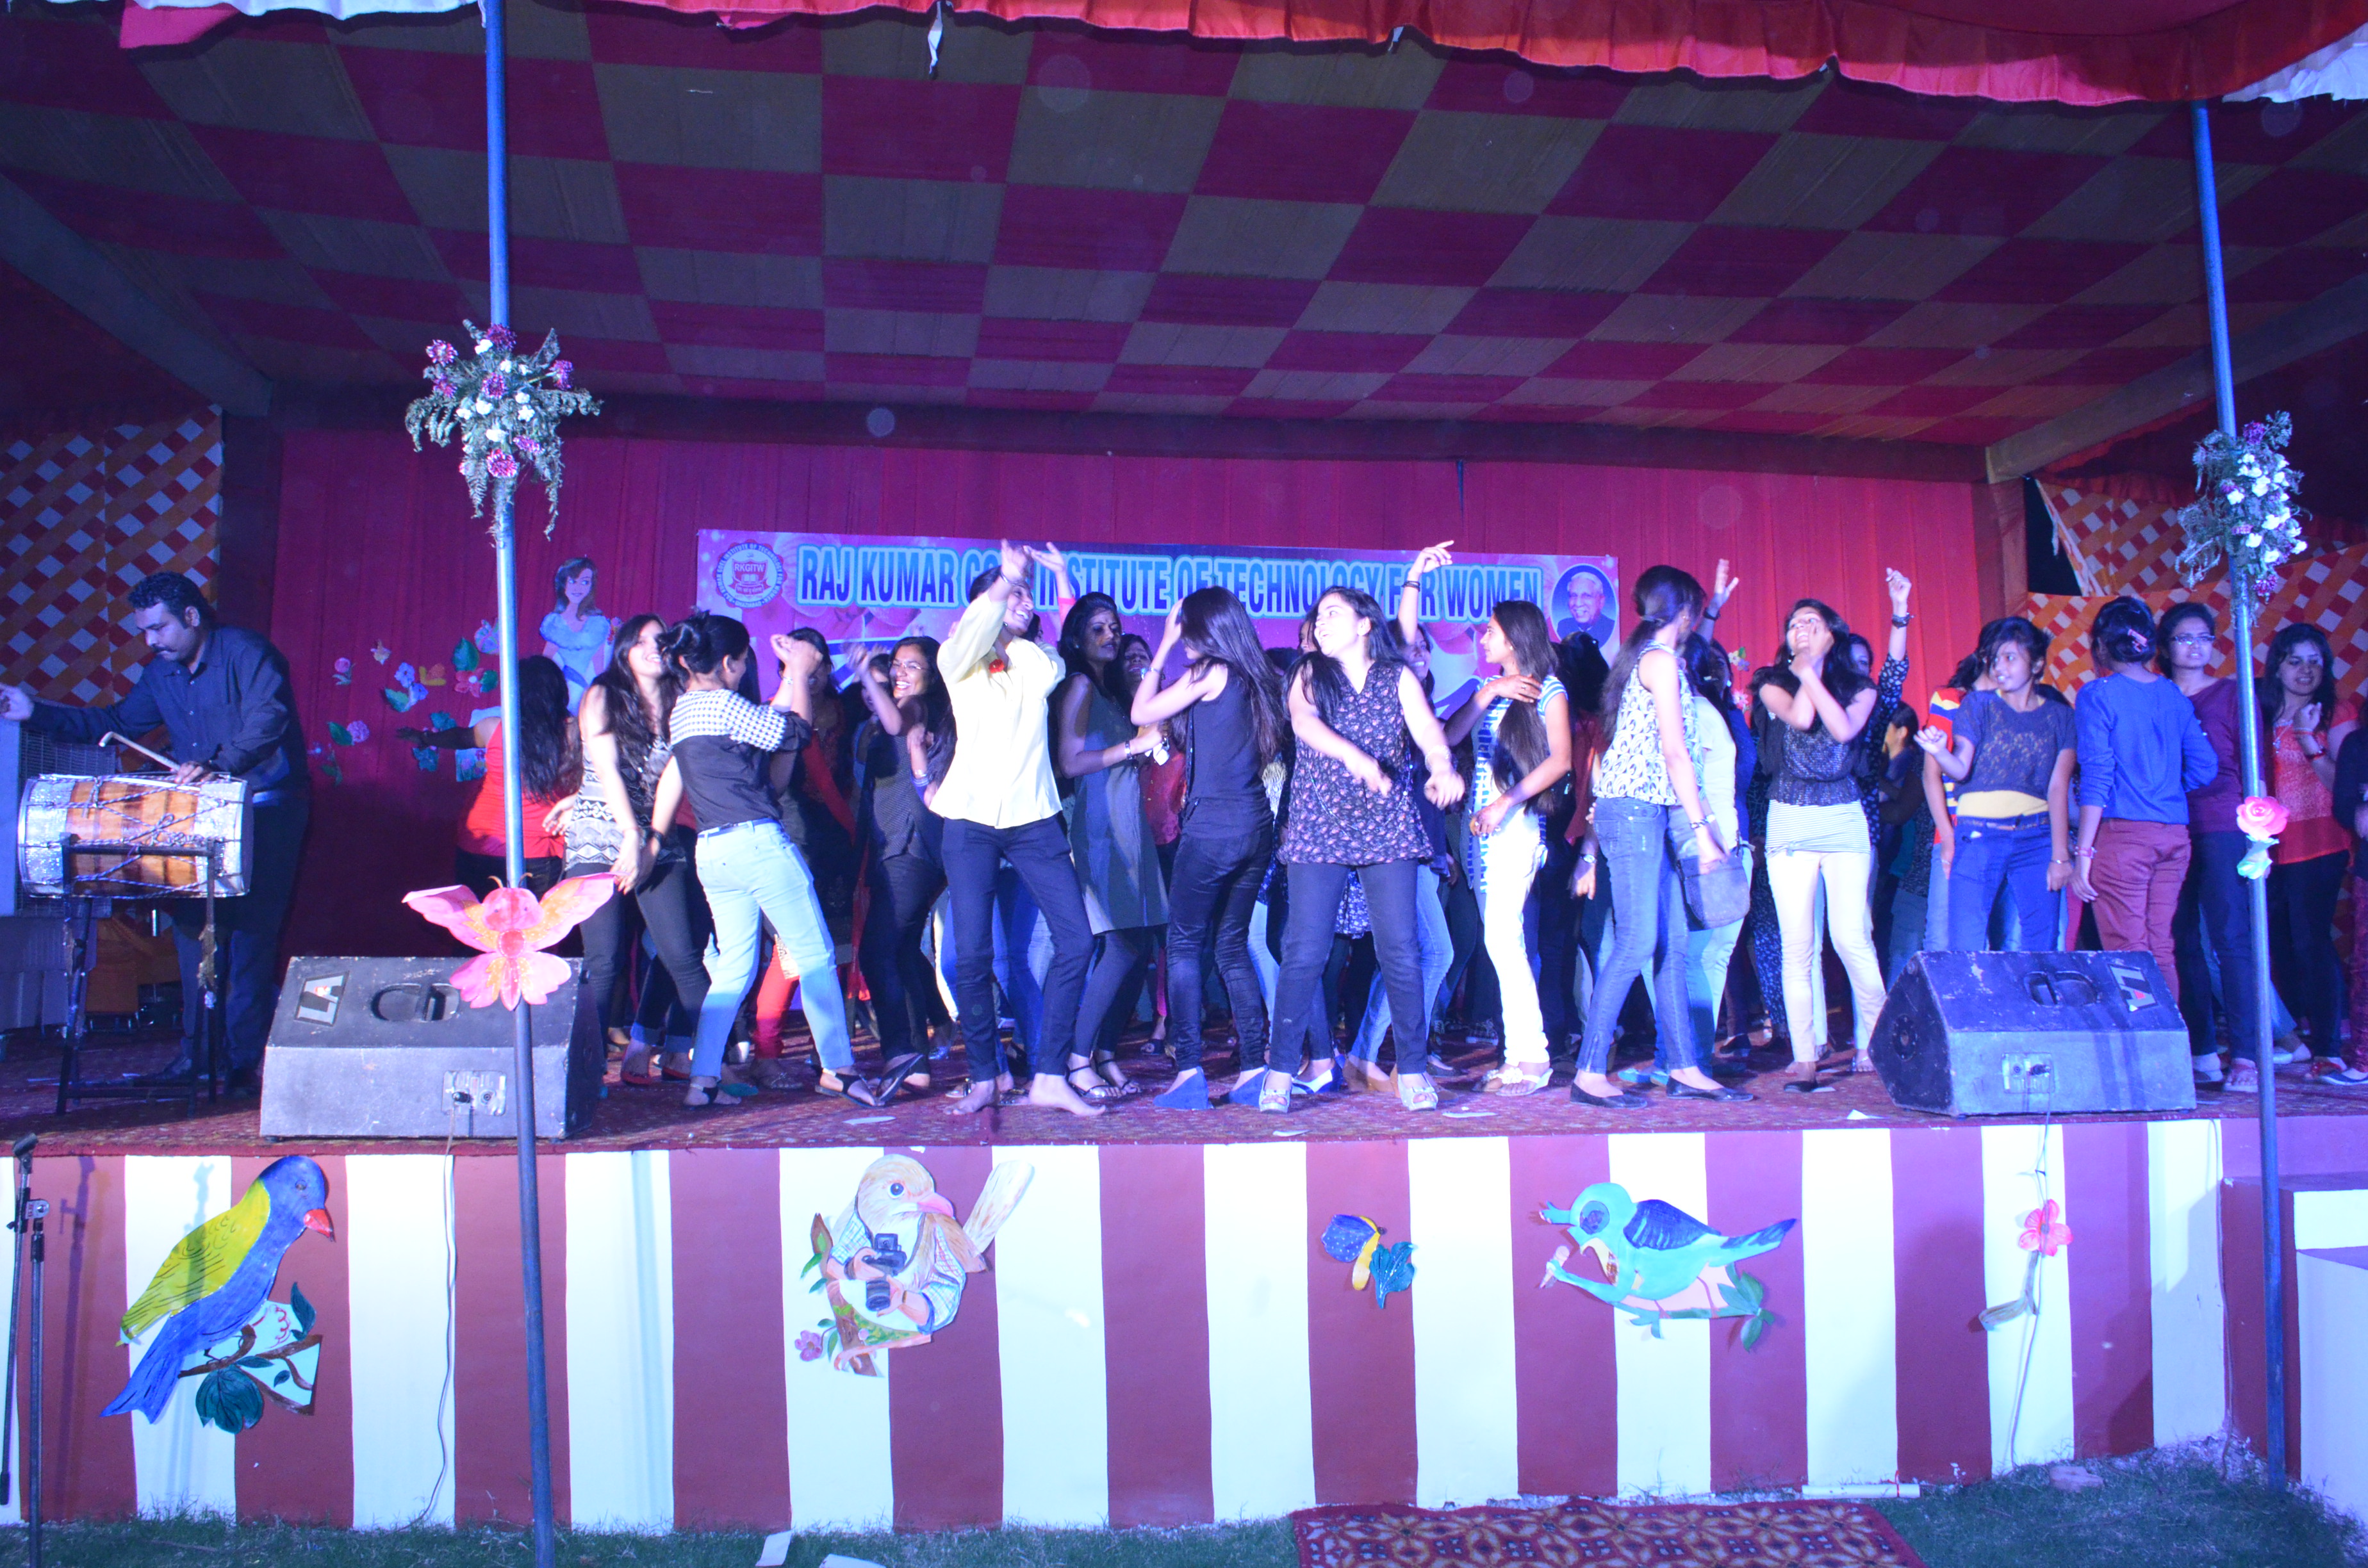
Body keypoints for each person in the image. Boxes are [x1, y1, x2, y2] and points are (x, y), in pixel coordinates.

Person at [1, 571, 307, 1092]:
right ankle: (199, 1057)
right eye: (144, 631)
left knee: (249, 938)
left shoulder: (245, 652)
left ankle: (240, 1065)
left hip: (266, 807)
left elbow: (268, 718)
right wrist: (36, 712)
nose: (151, 641)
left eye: (158, 628)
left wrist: (218, 765)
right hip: (200, 815)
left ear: (191, 616)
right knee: (194, 935)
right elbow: (117, 722)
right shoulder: (161, 673)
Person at [1265, 587, 1465, 1113]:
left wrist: (1441, 765)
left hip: (1386, 821)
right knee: (1304, 950)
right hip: (1320, 822)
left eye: (1333, 613)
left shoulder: (1397, 677)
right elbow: (1304, 724)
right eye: (1318, 616)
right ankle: (1281, 1071)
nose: (1321, 622)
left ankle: (1413, 1069)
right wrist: (1355, 758)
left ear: (1364, 625)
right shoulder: (1310, 673)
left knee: (1400, 948)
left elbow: (1428, 730)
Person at [649, 614, 859, 1108]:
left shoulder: (685, 709)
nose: (746, 671)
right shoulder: (725, 704)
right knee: (815, 955)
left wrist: (791, 678)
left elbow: (767, 724)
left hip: (714, 851)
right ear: (728, 663)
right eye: (744, 662)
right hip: (757, 844)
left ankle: (703, 1081)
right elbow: (794, 733)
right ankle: (840, 1069)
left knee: (732, 971)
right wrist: (801, 671)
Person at [932, 543, 1104, 1117]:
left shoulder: (1035, 660)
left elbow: (1064, 653)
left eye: (1028, 598)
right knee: (973, 956)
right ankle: (986, 1076)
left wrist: (1062, 583)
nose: (1023, 604)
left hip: (1034, 818)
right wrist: (1006, 579)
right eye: (1014, 597)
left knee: (1077, 941)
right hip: (971, 818)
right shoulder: (956, 658)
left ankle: (1050, 1074)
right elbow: (974, 631)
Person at [1572, 565, 1747, 1108]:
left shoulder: (1654, 657)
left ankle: (1686, 1067)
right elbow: (1675, 753)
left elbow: (1676, 751)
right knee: (1637, 941)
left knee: (1672, 945)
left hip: (1652, 812)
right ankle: (1588, 1072)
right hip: (1634, 814)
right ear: (1685, 613)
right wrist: (1704, 831)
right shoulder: (1659, 661)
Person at [1129, 587, 1287, 1109]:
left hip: (1213, 829)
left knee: (1183, 945)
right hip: (1255, 828)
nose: (1183, 639)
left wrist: (1161, 646)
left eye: (1188, 628)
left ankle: (1190, 1071)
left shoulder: (1211, 672)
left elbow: (1141, 710)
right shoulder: (1256, 677)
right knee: (1231, 946)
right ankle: (1254, 1069)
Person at [1752, 572, 1911, 1079]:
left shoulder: (1860, 689)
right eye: (1795, 623)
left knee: (1852, 940)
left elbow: (1840, 730)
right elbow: (1802, 719)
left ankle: (1881, 1045)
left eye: (1812, 623)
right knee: (1799, 945)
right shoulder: (1771, 682)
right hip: (1790, 819)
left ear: (1832, 634)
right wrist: (1805, 667)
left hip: (1844, 820)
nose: (1801, 629)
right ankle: (1804, 1056)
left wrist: (1813, 668)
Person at [565, 614, 713, 1087]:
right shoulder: (602, 694)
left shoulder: (682, 701)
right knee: (605, 960)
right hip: (598, 834)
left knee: (683, 955)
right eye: (642, 641)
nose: (653, 648)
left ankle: (711, 1065)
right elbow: (607, 770)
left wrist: (652, 841)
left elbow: (674, 780)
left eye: (660, 641)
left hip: (654, 834)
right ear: (625, 649)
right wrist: (630, 835)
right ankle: (584, 1075)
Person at [1443, 598, 1570, 1095]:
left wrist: (1505, 803)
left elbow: (1561, 761)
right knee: (1499, 943)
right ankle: (1517, 1056)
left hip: (1515, 827)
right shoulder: (1488, 689)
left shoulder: (1548, 690)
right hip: (1479, 830)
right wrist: (1490, 690)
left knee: (1504, 941)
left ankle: (1533, 1056)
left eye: (1491, 630)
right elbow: (1450, 735)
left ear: (1515, 637)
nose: (1483, 638)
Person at [2070, 598, 2216, 1008]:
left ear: (2102, 645)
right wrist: (2165, 790)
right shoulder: (2172, 694)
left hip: (2124, 839)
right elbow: (2206, 766)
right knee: (2159, 946)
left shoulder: (2097, 694)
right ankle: (2168, 1038)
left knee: (2128, 948)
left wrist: (2083, 854)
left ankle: (2145, 1038)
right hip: (2174, 835)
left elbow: (2097, 777)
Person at [1055, 593, 1168, 1102]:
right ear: (1078, 637)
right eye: (1098, 628)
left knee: (1137, 946)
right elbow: (1071, 761)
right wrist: (1131, 748)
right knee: (1120, 944)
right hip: (1100, 826)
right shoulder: (1080, 685)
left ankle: (1103, 1054)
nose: (1110, 636)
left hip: (1130, 823)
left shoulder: (1112, 690)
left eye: (1115, 628)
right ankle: (1078, 1060)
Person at [1914, 617, 2074, 954]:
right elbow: (1960, 769)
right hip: (1978, 836)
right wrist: (1939, 752)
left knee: (2039, 945)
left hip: (2036, 837)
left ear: (2037, 664)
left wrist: (2061, 855)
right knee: (1964, 947)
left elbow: (2058, 788)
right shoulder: (1977, 705)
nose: (2000, 667)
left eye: (2010, 658)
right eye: (1996, 659)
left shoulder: (2060, 716)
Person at [2160, 603, 2264, 1088]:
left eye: (2204, 637)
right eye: (2185, 638)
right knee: (2180, 940)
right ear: (2166, 646)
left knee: (2232, 939)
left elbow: (2255, 765)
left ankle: (2246, 1056)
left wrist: (2259, 838)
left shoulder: (2232, 694)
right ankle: (2202, 1052)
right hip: (2169, 825)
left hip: (2224, 823)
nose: (2196, 647)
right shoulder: (2156, 694)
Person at [851, 636, 957, 1091]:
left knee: (879, 951)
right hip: (900, 845)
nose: (900, 673)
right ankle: (915, 1063)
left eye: (912, 666)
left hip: (910, 845)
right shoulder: (916, 712)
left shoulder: (917, 708)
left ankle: (902, 1052)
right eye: (896, 664)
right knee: (901, 950)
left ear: (933, 673)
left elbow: (896, 723)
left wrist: (864, 673)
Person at [2258, 621, 2359, 1072]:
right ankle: (2294, 1033)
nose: (2305, 670)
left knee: (2310, 939)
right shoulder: (2259, 711)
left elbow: (2345, 786)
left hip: (2321, 841)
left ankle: (2329, 1046)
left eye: (2315, 662)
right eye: (2295, 661)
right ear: (2277, 667)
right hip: (2267, 845)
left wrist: (2306, 739)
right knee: (2278, 941)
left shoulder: (2337, 711)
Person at [426, 655, 578, 897]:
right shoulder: (574, 732)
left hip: (480, 846)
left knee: (481, 920)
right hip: (535, 850)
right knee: (533, 922)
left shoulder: (493, 728)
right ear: (560, 690)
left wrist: (426, 739)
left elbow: (460, 738)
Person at [2330, 724, 2368, 1086]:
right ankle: (2364, 1059)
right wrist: (2361, 807)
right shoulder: (2359, 743)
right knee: (2366, 966)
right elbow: (2346, 810)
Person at [539, 556, 613, 706]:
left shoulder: (597, 624)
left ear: (591, 586)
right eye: (573, 581)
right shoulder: (555, 623)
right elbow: (545, 663)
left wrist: (603, 692)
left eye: (585, 582)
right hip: (563, 691)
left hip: (588, 691)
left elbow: (599, 662)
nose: (578, 588)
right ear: (563, 584)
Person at [1554, 563, 1616, 646]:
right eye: (1574, 596)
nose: (1578, 603)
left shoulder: (1610, 627)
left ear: (1601, 601)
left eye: (1587, 596)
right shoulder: (1563, 627)